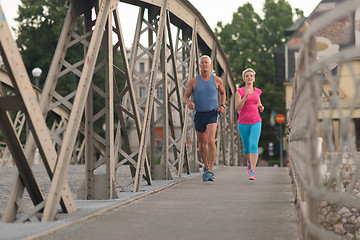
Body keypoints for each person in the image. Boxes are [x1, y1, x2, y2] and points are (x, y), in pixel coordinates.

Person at [183, 55, 226, 182]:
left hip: (212, 113)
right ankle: (206, 167)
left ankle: (211, 170)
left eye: (206, 63)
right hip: (199, 114)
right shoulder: (193, 81)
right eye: (202, 63)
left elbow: (223, 92)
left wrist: (222, 105)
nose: (204, 65)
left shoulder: (217, 80)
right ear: (199, 65)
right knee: (202, 144)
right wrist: (189, 103)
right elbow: (185, 96)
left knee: (211, 140)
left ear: (211, 65)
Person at [235, 68, 264, 180]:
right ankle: (249, 161)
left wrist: (261, 107)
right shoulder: (240, 92)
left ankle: (252, 171)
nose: (249, 77)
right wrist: (245, 96)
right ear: (244, 79)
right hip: (243, 123)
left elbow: (258, 102)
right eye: (247, 76)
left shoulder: (258, 91)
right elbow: (237, 107)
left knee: (253, 145)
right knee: (246, 149)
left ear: (254, 78)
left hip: (256, 121)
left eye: (251, 75)